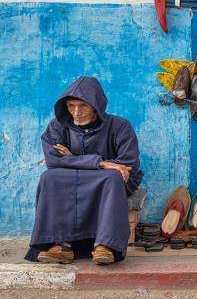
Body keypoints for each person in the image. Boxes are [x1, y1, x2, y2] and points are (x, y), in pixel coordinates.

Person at [25, 76, 143, 264]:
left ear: (96, 106)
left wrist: (71, 159)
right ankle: (59, 244)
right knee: (50, 177)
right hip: (90, 175)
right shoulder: (57, 126)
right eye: (71, 106)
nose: (76, 113)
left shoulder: (120, 126)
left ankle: (105, 245)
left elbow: (127, 166)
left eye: (83, 106)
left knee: (113, 177)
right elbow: (53, 161)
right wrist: (101, 163)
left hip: (107, 181)